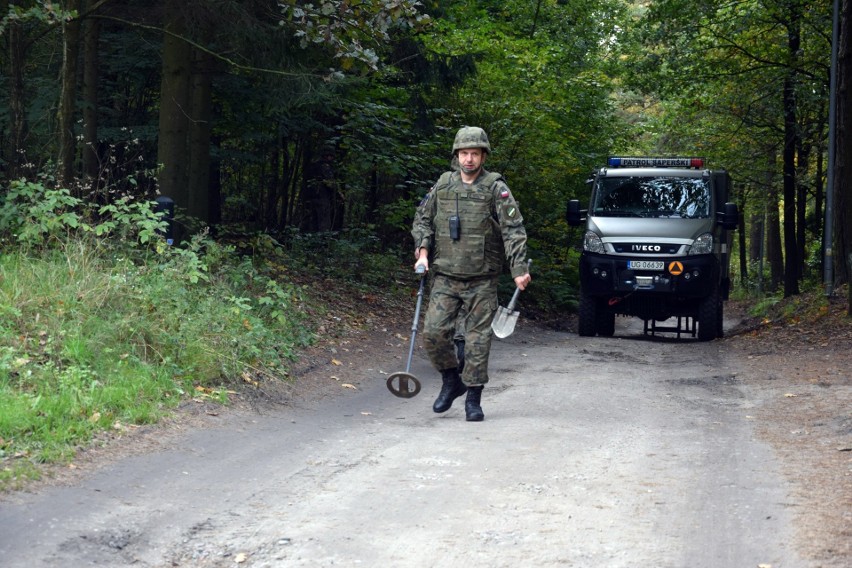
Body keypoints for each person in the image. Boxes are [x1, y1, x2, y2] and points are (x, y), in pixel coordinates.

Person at [411, 126, 531, 422]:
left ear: (482, 156)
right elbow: (422, 219)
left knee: (478, 340)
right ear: (457, 155)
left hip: (482, 278)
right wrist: (423, 251)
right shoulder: (443, 184)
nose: (468, 159)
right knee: (434, 334)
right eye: (464, 153)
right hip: (446, 275)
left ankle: (474, 400)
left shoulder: (495, 187)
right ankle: (452, 380)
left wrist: (518, 269)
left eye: (474, 154)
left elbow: (513, 230)